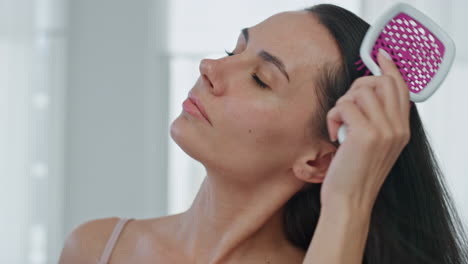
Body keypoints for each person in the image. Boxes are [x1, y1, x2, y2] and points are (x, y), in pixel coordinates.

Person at [59, 4, 468, 264]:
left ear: (319, 160)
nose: (210, 67)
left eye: (259, 79)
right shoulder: (97, 249)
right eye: (233, 50)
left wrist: (349, 200)